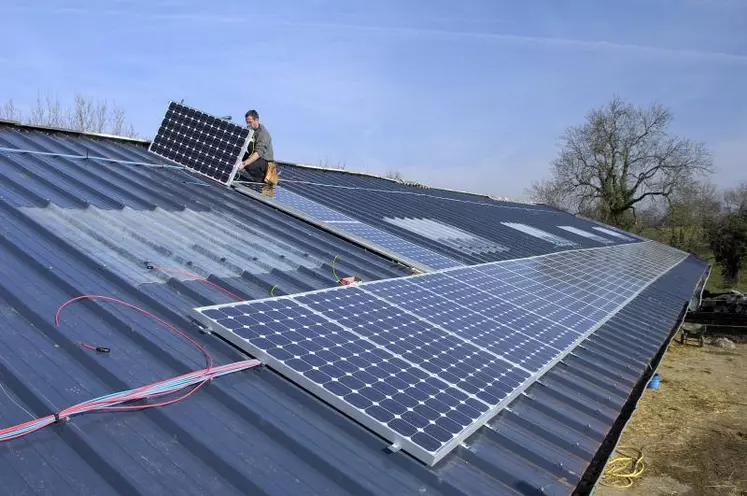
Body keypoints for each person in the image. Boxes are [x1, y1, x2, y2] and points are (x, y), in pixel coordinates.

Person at [237, 109, 275, 183]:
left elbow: (258, 153)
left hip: (266, 163)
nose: (248, 124)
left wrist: (244, 164)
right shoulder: (250, 130)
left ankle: (260, 182)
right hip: (256, 158)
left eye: (250, 122)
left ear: (256, 120)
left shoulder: (263, 134)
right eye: (247, 122)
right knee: (237, 153)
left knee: (249, 163)